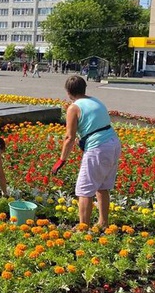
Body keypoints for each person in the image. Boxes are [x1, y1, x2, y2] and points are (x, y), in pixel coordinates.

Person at [51, 76, 121, 229]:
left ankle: (83, 228)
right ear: (84, 88)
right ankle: (103, 223)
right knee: (102, 186)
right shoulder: (96, 101)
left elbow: (69, 137)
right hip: (113, 143)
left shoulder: (74, 108)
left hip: (98, 147)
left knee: (84, 189)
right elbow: (94, 127)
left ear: (68, 92)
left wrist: (62, 160)